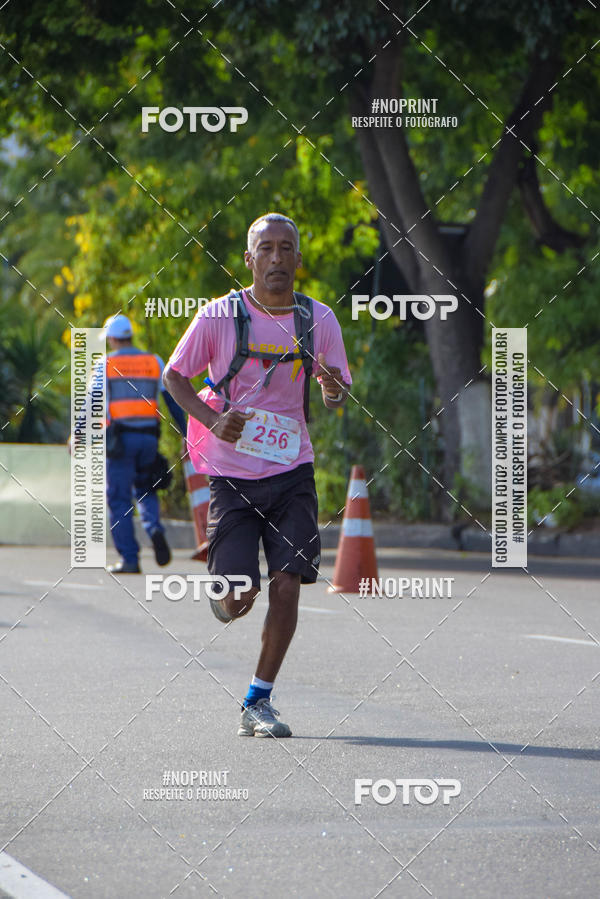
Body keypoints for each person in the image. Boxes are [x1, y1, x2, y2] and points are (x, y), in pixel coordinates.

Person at [163, 212, 351, 738]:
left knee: (287, 585)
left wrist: (333, 387)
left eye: (285, 248)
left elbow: (336, 392)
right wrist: (212, 420)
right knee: (241, 595)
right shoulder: (218, 317)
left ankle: (258, 700)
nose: (276, 257)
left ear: (298, 258)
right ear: (249, 260)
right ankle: (225, 599)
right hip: (231, 477)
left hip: (293, 470)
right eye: (265, 248)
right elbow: (174, 377)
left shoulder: (318, 320)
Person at [102, 313, 187, 574]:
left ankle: (129, 558)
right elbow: (173, 400)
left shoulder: (105, 364)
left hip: (120, 442)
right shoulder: (154, 361)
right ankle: (154, 529)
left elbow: (92, 403)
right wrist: (186, 433)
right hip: (149, 439)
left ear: (112, 339)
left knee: (119, 498)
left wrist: (78, 434)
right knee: (146, 489)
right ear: (130, 335)